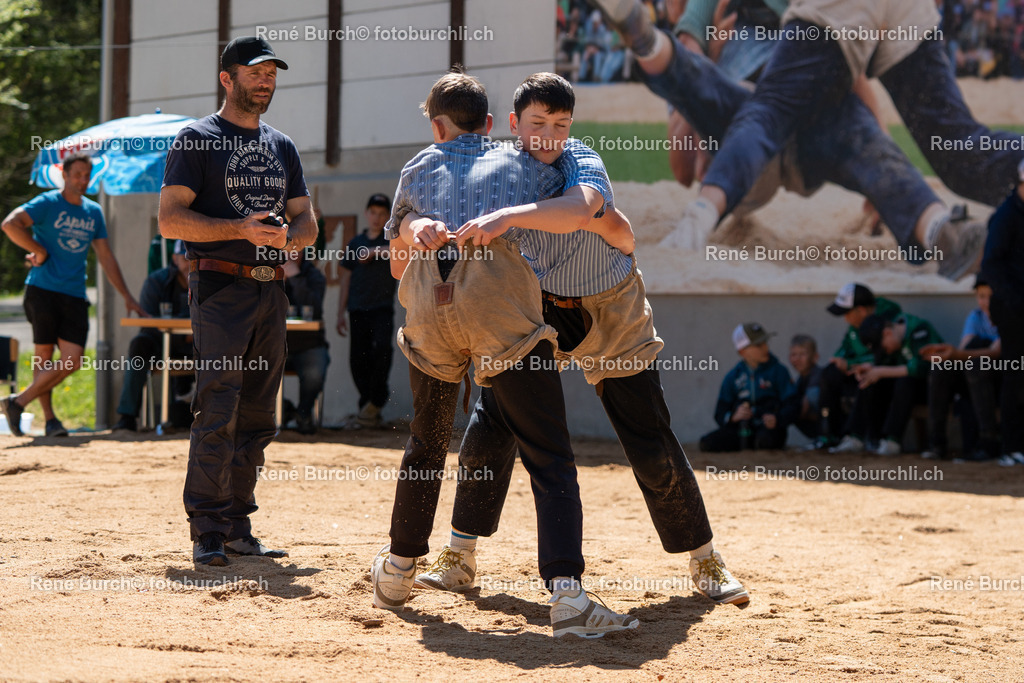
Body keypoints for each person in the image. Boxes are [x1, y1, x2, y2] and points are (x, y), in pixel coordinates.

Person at [413, 72, 748, 607]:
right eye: (537, 124)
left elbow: (584, 210)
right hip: (539, 305)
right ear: (513, 125)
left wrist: (511, 217)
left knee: (646, 429)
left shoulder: (580, 159)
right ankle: (459, 555)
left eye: (560, 124)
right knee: (494, 418)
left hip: (610, 302)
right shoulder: (499, 167)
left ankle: (704, 559)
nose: (549, 135)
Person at [373, 70, 638, 639]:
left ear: (436, 125)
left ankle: (398, 570)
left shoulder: (418, 165)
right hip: (498, 308)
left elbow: (396, 260)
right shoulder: (525, 165)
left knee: (425, 442)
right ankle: (567, 597)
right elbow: (580, 213)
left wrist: (418, 225)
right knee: (548, 453)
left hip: (430, 306)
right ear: (495, 125)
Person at [587, 0, 998, 281]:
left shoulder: (706, 15)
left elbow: (682, 165)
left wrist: (703, 61)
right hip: (808, 140)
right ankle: (940, 229)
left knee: (707, 89)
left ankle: (647, 43)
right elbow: (858, 96)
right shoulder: (813, 17)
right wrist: (879, 189)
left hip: (744, 148)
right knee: (858, 137)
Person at [158, 36, 317, 566]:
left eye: (272, 72)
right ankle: (206, 527)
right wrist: (241, 228)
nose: (266, 80)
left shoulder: (282, 145)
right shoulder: (196, 139)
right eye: (255, 72)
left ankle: (237, 524)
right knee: (218, 404)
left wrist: (284, 238)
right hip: (219, 286)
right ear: (227, 78)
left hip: (270, 287)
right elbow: (171, 219)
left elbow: (308, 223)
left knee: (257, 412)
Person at [1, 152, 145, 438]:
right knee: (44, 354)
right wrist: (39, 250)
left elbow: (105, 255)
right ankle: (51, 420)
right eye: (77, 174)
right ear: (64, 175)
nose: (82, 180)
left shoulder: (93, 212)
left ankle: (17, 402)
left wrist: (127, 295)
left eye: (86, 175)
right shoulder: (47, 203)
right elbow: (9, 225)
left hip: (74, 295)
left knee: (73, 359)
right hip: (42, 290)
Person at [112, 240, 193, 433]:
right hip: (162, 343)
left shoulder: (209, 281)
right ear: (174, 259)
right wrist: (181, 335)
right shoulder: (156, 281)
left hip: (199, 345)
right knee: (139, 345)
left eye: (193, 257)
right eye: (184, 257)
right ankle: (127, 417)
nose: (189, 262)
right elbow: (148, 323)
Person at [921, 275, 1001, 462]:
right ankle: (936, 443)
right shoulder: (975, 316)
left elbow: (996, 353)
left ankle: (989, 442)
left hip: (1001, 378)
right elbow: (964, 349)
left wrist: (955, 354)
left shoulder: (1010, 316)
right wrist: (944, 354)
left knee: (975, 365)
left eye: (991, 296)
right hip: (973, 377)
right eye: (981, 296)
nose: (986, 302)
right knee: (941, 369)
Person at [336, 193, 396, 429]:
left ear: (387, 216)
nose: (377, 217)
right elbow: (345, 280)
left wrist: (374, 252)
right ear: (366, 213)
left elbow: (402, 252)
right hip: (357, 310)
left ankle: (376, 401)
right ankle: (367, 410)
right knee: (358, 360)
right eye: (373, 212)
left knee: (382, 350)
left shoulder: (393, 241)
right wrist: (340, 313)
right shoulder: (355, 243)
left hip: (382, 309)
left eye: (382, 214)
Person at [822, 284, 903, 452]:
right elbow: (842, 351)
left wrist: (853, 365)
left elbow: (884, 356)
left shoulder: (886, 320)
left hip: (890, 373)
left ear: (861, 310)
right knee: (830, 373)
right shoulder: (855, 327)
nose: (845, 319)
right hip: (862, 370)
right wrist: (842, 363)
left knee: (869, 377)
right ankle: (835, 436)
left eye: (847, 313)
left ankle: (868, 437)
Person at [981, 159, 1024, 467]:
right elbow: (991, 266)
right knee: (1016, 376)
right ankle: (1011, 447)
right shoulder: (1006, 216)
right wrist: (1017, 302)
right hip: (1013, 311)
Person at [854, 312, 944, 456]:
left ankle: (892, 440)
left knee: (905, 381)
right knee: (870, 380)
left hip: (933, 390)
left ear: (888, 333)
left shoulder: (920, 329)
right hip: (903, 393)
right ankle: (872, 438)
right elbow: (883, 364)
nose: (884, 352)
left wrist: (881, 371)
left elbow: (922, 367)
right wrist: (870, 369)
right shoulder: (894, 340)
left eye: (882, 348)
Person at [699, 322, 796, 452]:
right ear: (742, 351)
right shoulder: (733, 376)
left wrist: (777, 419)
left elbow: (793, 404)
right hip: (741, 430)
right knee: (707, 443)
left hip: (769, 430)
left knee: (766, 441)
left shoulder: (779, 371)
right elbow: (720, 413)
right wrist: (733, 416)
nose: (765, 348)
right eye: (758, 345)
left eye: (765, 342)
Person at [283, 250, 329, 435]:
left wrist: (295, 276)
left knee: (315, 370)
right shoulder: (264, 271)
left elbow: (314, 308)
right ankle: (282, 411)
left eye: (294, 249)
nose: (288, 254)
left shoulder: (314, 275)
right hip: (273, 344)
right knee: (252, 368)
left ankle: (303, 414)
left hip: (308, 344)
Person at [788, 334, 823, 442]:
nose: (797, 359)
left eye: (802, 354)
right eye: (794, 354)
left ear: (815, 357)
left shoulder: (819, 375)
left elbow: (806, 405)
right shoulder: (800, 380)